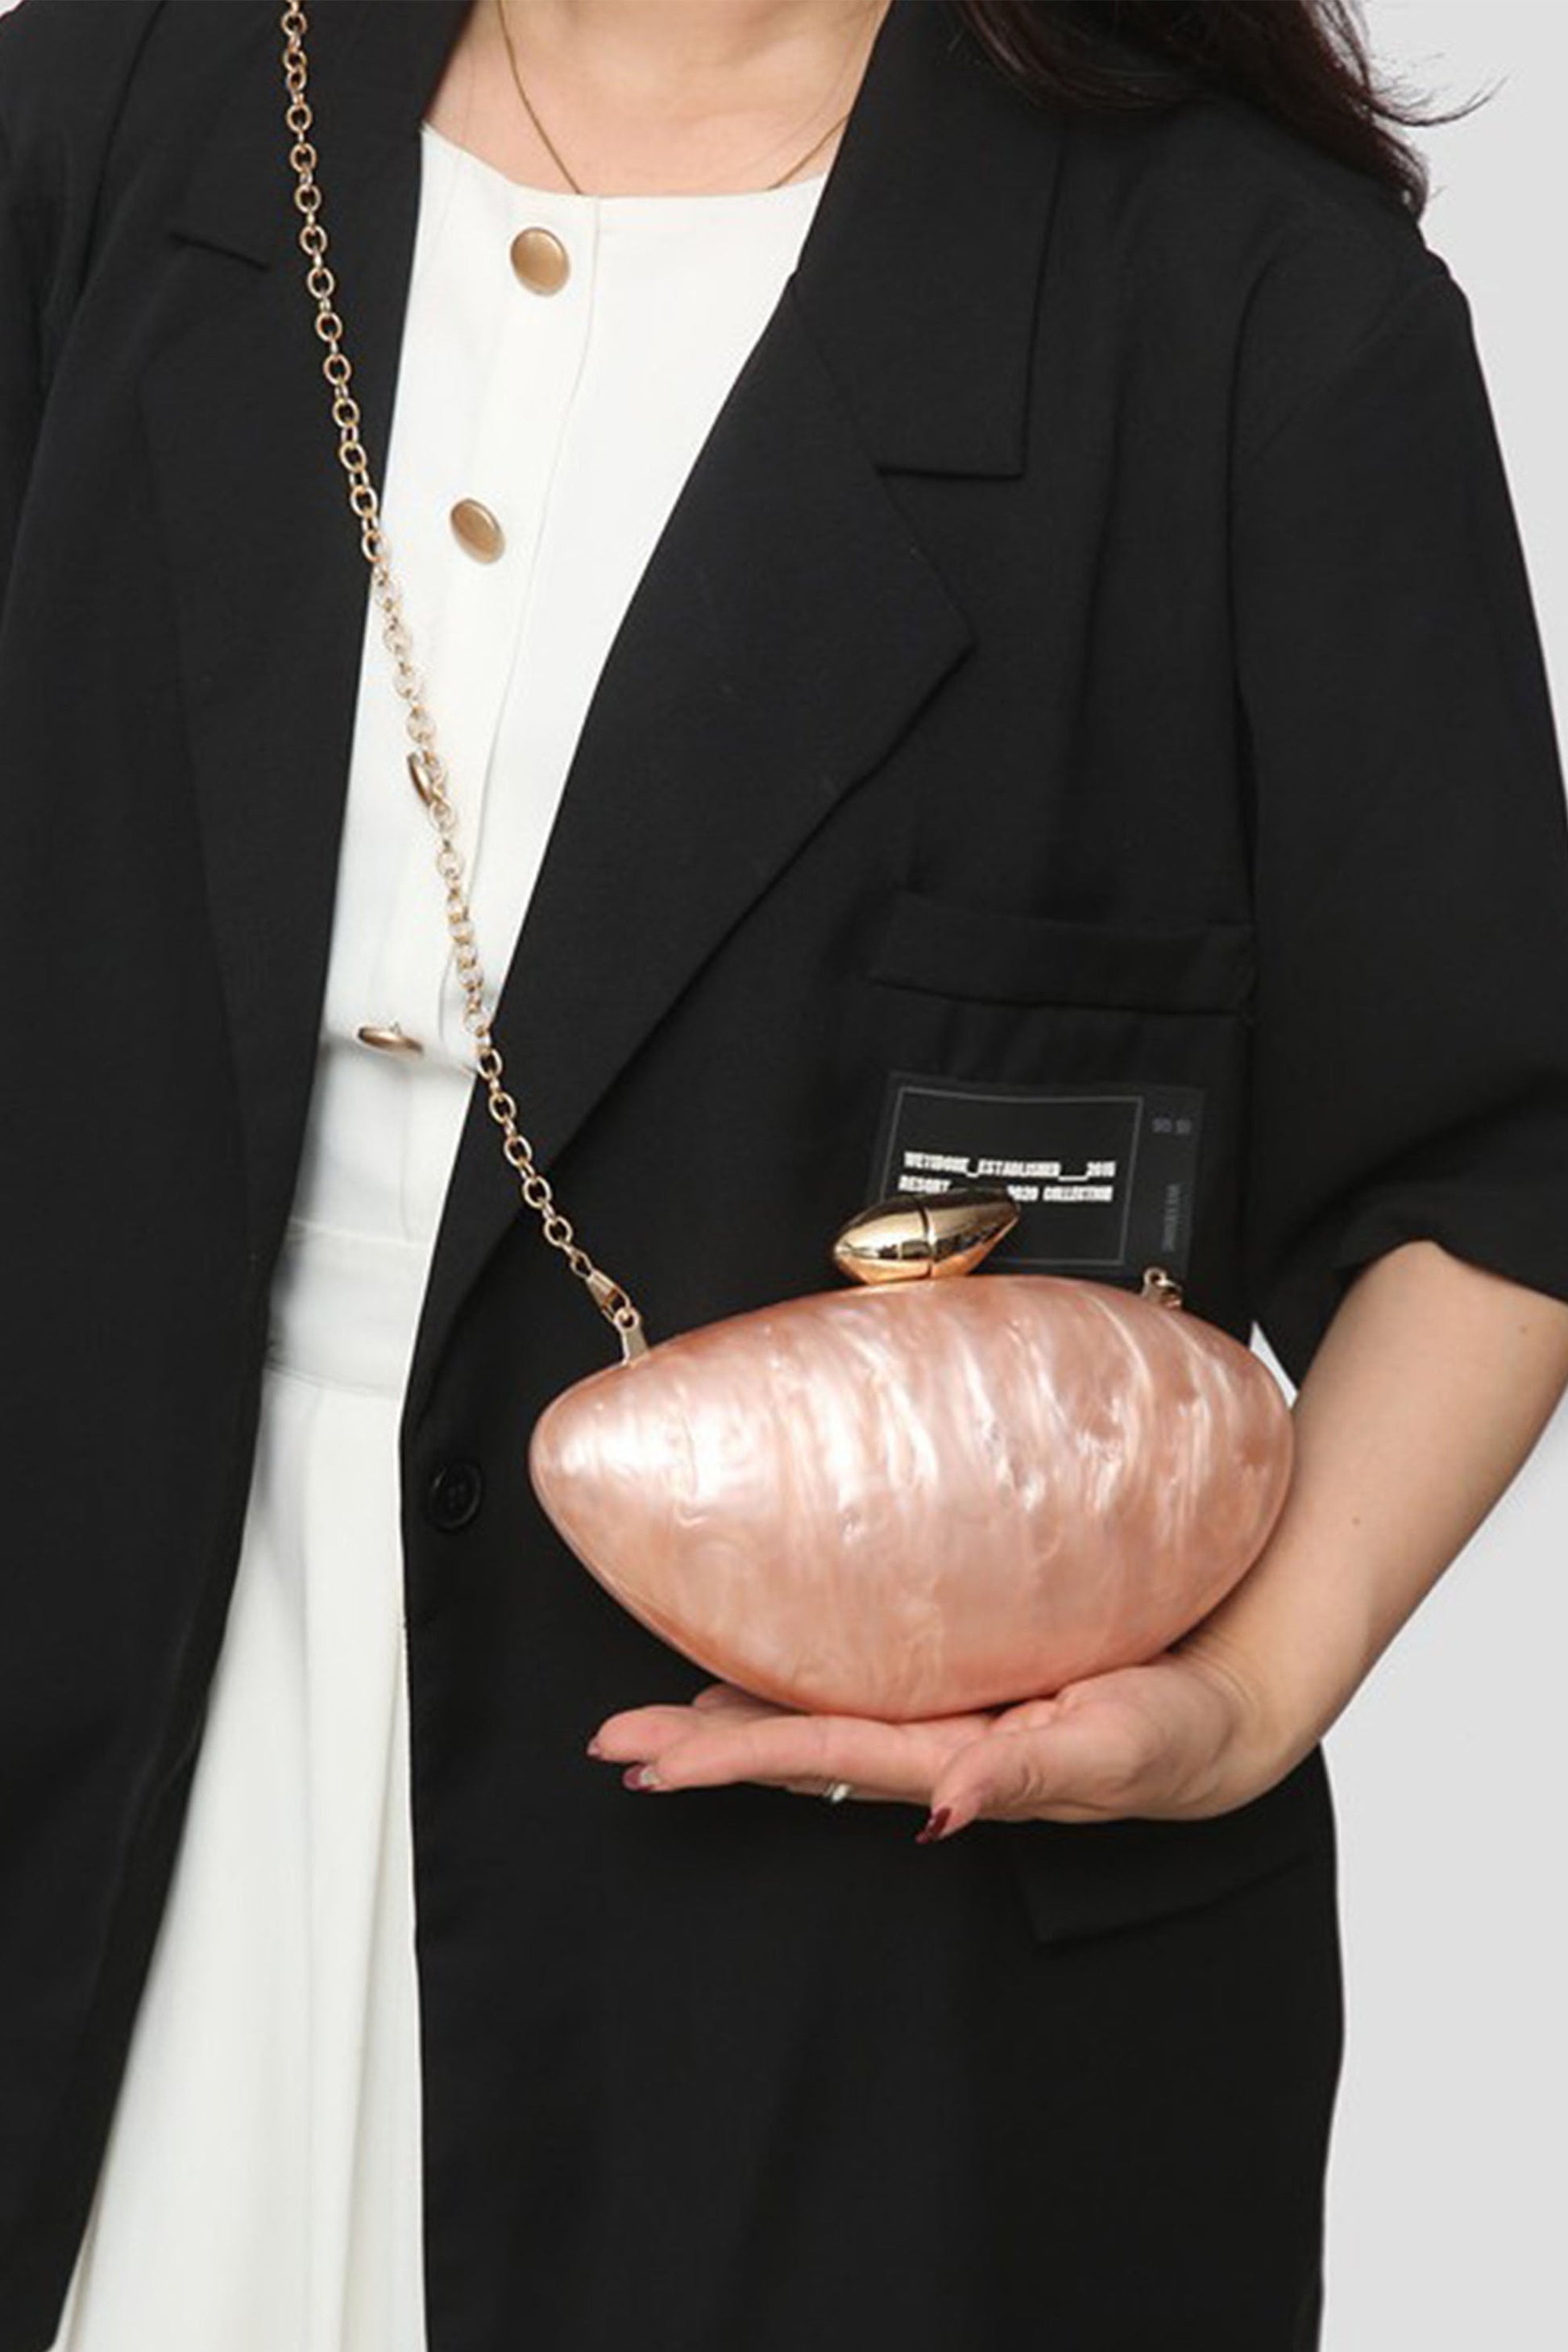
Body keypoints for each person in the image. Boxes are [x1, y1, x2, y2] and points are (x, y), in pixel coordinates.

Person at [2, 0, 1566, 2346]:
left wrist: (1250, 1697)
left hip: (875, 2008)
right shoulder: (108, 125)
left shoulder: (1252, 307)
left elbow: (1491, 1166)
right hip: (113, 1773)